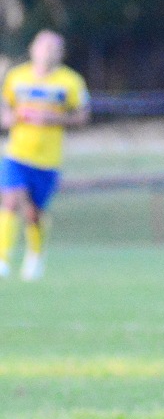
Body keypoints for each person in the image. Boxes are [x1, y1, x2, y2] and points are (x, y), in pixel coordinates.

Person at [0, 30, 90, 281]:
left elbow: (83, 115)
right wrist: (8, 117)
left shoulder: (70, 81)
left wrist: (55, 118)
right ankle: (3, 259)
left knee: (33, 213)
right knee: (9, 200)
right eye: (43, 46)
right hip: (16, 153)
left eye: (53, 48)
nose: (47, 52)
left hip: (47, 159)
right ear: (33, 49)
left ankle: (35, 256)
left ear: (61, 54)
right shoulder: (17, 77)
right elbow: (5, 107)